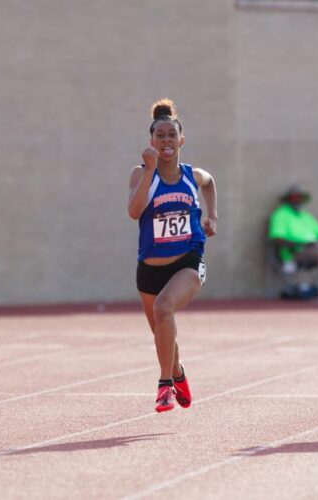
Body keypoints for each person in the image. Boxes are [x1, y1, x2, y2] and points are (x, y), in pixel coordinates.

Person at [128, 98, 218, 412]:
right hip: (149, 268)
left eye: (171, 135)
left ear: (181, 140)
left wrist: (213, 216)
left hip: (188, 262)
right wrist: (150, 170)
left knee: (165, 309)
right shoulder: (141, 175)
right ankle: (177, 372)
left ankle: (165, 385)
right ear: (151, 142)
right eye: (160, 136)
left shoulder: (193, 176)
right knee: (163, 334)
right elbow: (134, 211)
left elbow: (210, 184)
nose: (166, 141)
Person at [268, 185, 318, 298]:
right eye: (294, 198)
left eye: (299, 198)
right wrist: (303, 244)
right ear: (288, 199)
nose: (297, 201)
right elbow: (277, 240)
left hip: (313, 252)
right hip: (293, 255)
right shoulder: (281, 214)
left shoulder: (306, 216)